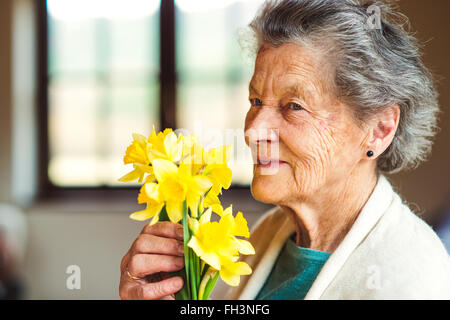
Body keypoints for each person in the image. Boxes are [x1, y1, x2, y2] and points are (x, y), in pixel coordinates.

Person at [119, 0, 450, 300]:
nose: (252, 131)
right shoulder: (268, 235)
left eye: (294, 106)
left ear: (379, 130)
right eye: (256, 101)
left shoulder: (412, 277)